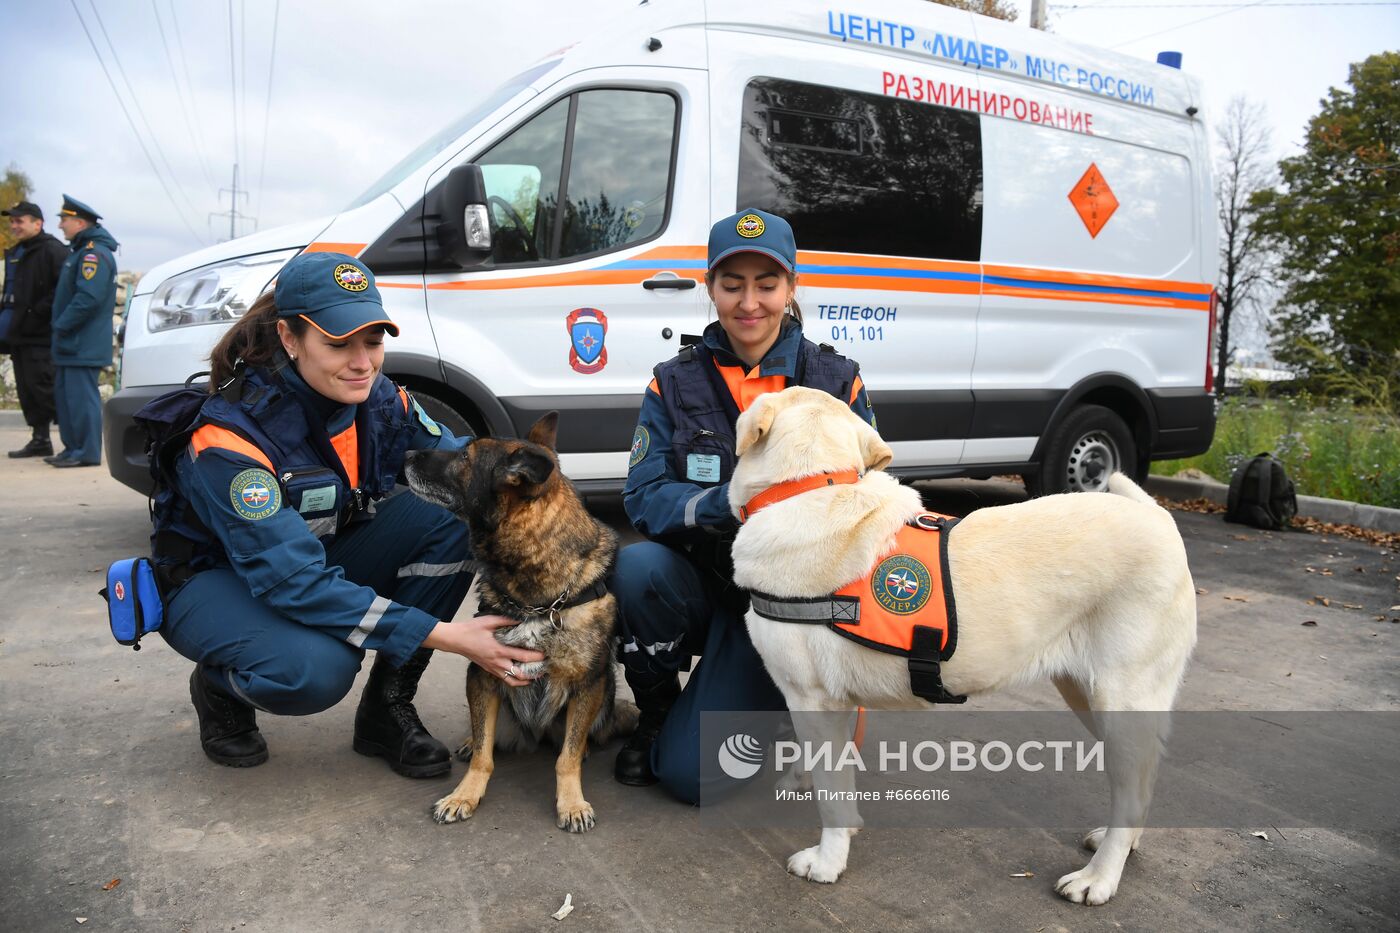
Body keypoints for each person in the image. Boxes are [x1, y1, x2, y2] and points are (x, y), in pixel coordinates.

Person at [149, 251, 542, 774]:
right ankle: (220, 686)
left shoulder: (380, 400)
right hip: (216, 581)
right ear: (289, 338)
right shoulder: (229, 437)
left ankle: (386, 709)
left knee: (458, 515)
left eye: (373, 342)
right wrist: (451, 637)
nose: (363, 363)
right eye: (338, 344)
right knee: (315, 671)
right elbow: (293, 581)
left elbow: (468, 473)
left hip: (313, 555)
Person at [612, 209, 876, 803]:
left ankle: (794, 704)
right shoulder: (671, 383)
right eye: (732, 285)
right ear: (710, 289)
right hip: (714, 589)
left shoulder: (837, 382)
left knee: (689, 779)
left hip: (797, 604)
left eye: (766, 284)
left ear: (791, 289)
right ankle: (658, 711)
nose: (749, 302)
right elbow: (643, 495)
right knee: (635, 569)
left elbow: (866, 499)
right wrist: (731, 503)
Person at [48, 195, 117, 468]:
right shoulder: (80, 251)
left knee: (80, 399)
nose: (61, 226)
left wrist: (60, 325)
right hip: (71, 343)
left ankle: (86, 452)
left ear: (79, 222)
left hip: (80, 342)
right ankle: (72, 448)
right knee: (67, 399)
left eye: (64, 220)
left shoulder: (93, 254)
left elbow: (88, 298)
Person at [1, 201, 67, 458]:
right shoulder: (17, 251)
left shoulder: (53, 250)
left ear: (37, 223)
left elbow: (61, 291)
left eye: (20, 221)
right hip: (18, 333)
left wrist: (36, 313)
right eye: (12, 221)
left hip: (40, 334)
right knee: (26, 389)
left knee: (42, 387)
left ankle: (72, 440)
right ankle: (39, 439)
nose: (14, 226)